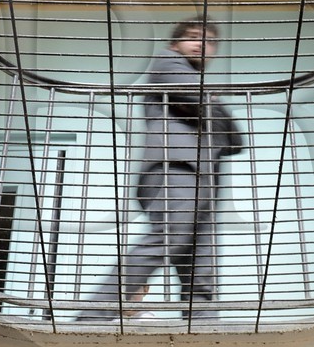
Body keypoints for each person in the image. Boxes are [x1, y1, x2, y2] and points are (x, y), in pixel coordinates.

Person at [76, 18, 243, 322]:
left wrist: (210, 103)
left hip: (203, 179)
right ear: (174, 44)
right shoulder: (168, 62)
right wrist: (211, 101)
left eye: (208, 41)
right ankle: (91, 318)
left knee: (202, 266)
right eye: (193, 37)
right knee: (167, 239)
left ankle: (204, 332)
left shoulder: (196, 79)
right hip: (175, 169)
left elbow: (234, 141)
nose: (201, 44)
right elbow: (197, 99)